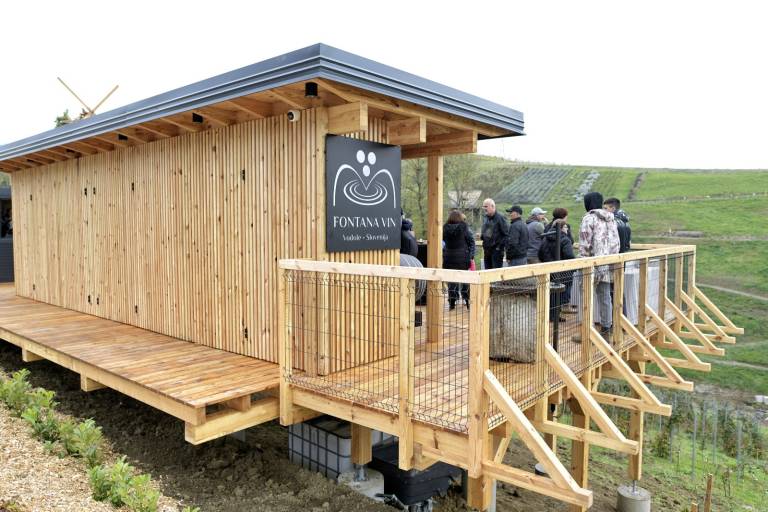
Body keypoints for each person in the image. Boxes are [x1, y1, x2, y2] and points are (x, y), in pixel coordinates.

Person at [577, 192, 620, 341]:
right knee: (605, 296)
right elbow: (616, 244)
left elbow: (584, 242)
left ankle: (586, 332)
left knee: (586, 296)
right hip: (606, 263)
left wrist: (583, 259)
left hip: (590, 263)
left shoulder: (588, 218)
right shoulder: (611, 219)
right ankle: (606, 331)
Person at [539, 208, 576, 318]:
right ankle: (555, 315)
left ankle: (550, 315)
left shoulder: (546, 237)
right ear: (562, 227)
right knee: (561, 291)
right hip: (563, 269)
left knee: (551, 292)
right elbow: (569, 255)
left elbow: (540, 252)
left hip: (549, 268)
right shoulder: (565, 239)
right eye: (566, 227)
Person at [443, 210, 475, 309]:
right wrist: (471, 256)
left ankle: (452, 302)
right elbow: (471, 242)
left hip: (449, 258)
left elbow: (443, 242)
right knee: (465, 280)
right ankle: (467, 301)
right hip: (462, 258)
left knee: (451, 280)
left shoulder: (444, 229)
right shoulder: (464, 228)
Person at [481, 198, 508, 269]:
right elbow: (487, 232)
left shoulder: (500, 217)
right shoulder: (485, 218)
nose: (484, 208)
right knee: (487, 272)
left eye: (486, 206)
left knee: (496, 272)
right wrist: (482, 236)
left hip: (496, 251)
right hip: (487, 250)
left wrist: (498, 247)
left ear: (492, 206)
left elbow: (506, 234)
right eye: (483, 207)